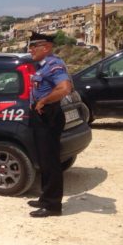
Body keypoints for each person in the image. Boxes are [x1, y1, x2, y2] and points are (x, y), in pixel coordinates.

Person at [27, 31, 72, 218]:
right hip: (41, 116)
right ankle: (45, 197)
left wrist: (44, 101)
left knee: (51, 161)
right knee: (44, 160)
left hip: (49, 115)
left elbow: (64, 88)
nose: (30, 50)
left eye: (33, 46)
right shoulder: (42, 65)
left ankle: (53, 206)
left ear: (46, 47)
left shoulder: (54, 65)